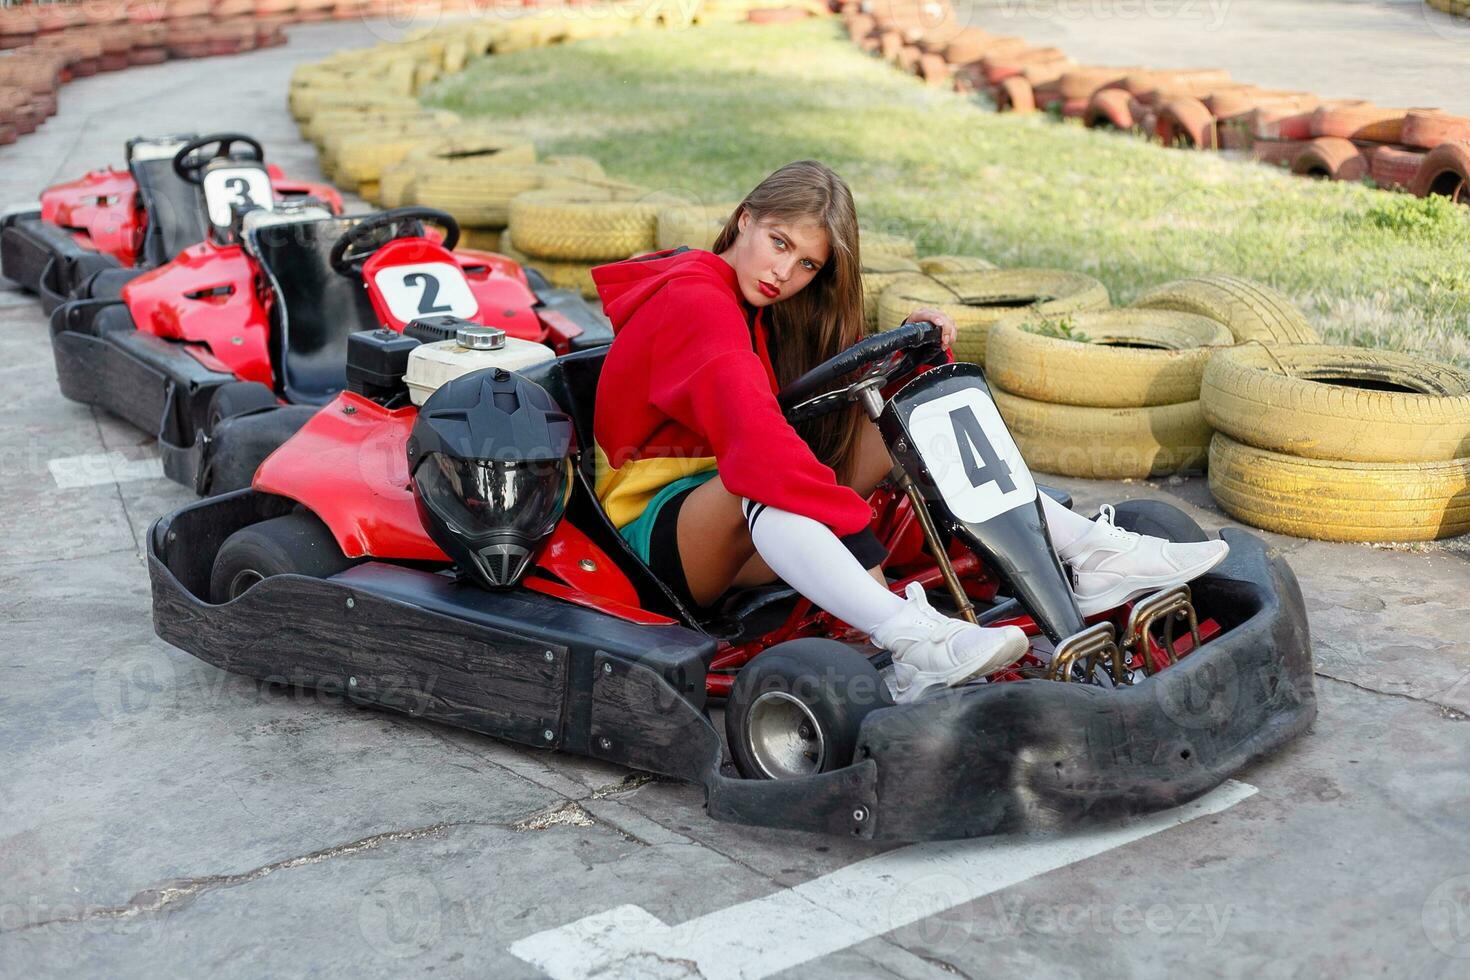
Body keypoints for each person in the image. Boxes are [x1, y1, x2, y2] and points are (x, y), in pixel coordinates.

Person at [589, 161, 1227, 702]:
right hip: (655, 535)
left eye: (808, 264)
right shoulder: (695, 302)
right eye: (779, 242)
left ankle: (1086, 549)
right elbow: (759, 450)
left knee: (912, 405)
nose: (785, 273)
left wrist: (904, 357)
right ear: (745, 218)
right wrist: (861, 543)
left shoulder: (753, 302)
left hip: (730, 509)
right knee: (760, 483)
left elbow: (793, 400)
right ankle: (908, 636)